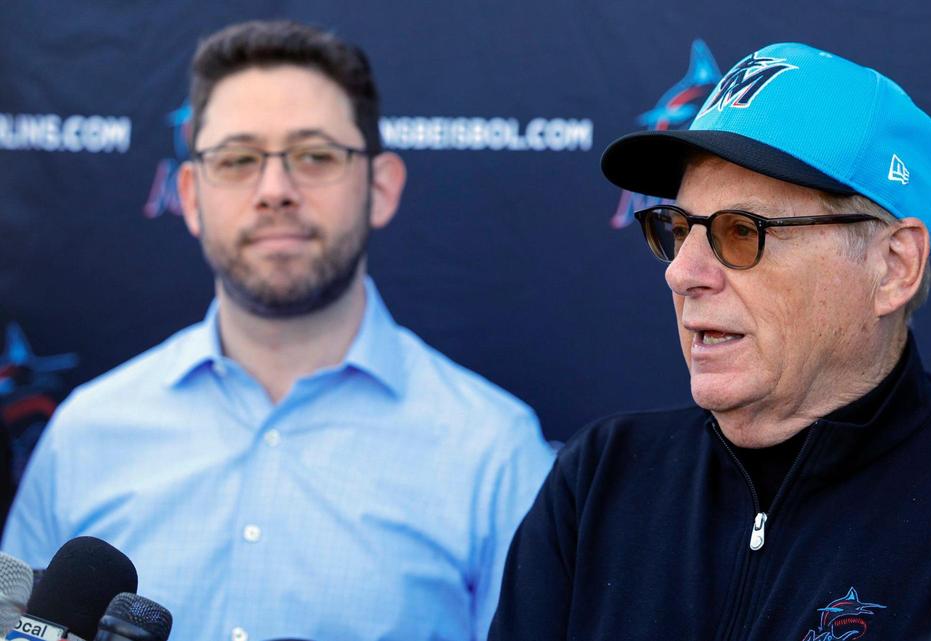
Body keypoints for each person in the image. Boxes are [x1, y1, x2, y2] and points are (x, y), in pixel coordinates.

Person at [489, 42, 931, 641]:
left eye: (742, 231)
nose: (680, 273)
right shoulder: (601, 477)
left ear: (894, 266)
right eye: (677, 228)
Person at [3, 20, 553, 641]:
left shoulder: (494, 453)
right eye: (237, 159)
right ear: (189, 194)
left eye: (315, 156)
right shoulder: (84, 434)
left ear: (381, 187)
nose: (274, 191)